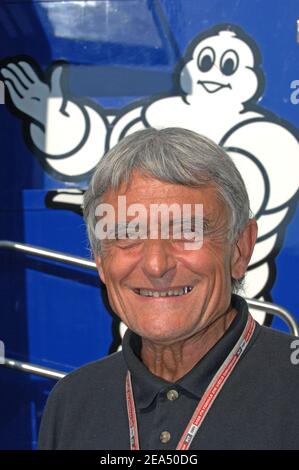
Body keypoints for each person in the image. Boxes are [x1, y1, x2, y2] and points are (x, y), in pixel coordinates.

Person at [38, 127, 299, 450]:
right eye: (128, 235)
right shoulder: (72, 402)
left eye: (186, 232)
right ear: (101, 261)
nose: (156, 265)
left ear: (240, 249)